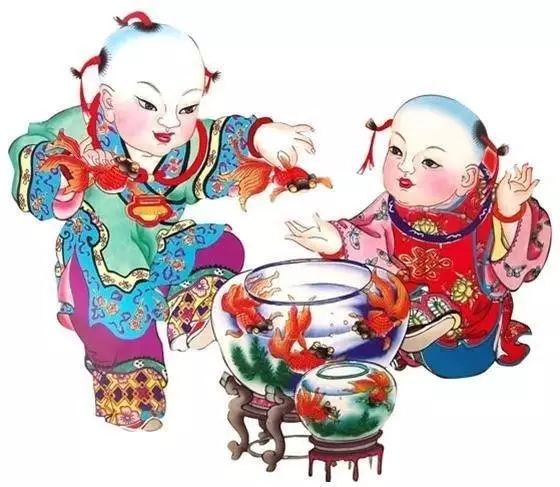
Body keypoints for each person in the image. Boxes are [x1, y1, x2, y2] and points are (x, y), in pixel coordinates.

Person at [8, 11, 314, 430]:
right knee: (117, 316)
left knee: (223, 246)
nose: (170, 122)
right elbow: (32, 147)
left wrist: (261, 136)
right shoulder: (78, 129)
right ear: (107, 98)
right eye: (150, 105)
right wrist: (61, 174)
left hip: (163, 241)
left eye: (187, 107)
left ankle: (190, 316)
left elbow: (219, 139)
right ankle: (134, 399)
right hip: (102, 255)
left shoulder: (184, 143)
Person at [286, 95, 551, 379]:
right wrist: (335, 240)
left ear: (467, 178)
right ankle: (407, 338)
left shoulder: (484, 211)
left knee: (454, 362)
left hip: (467, 323)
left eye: (429, 161)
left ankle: (425, 335)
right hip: (406, 304)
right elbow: (367, 237)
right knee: (361, 314)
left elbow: (506, 271)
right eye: (396, 150)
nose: (406, 167)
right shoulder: (390, 207)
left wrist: (508, 213)